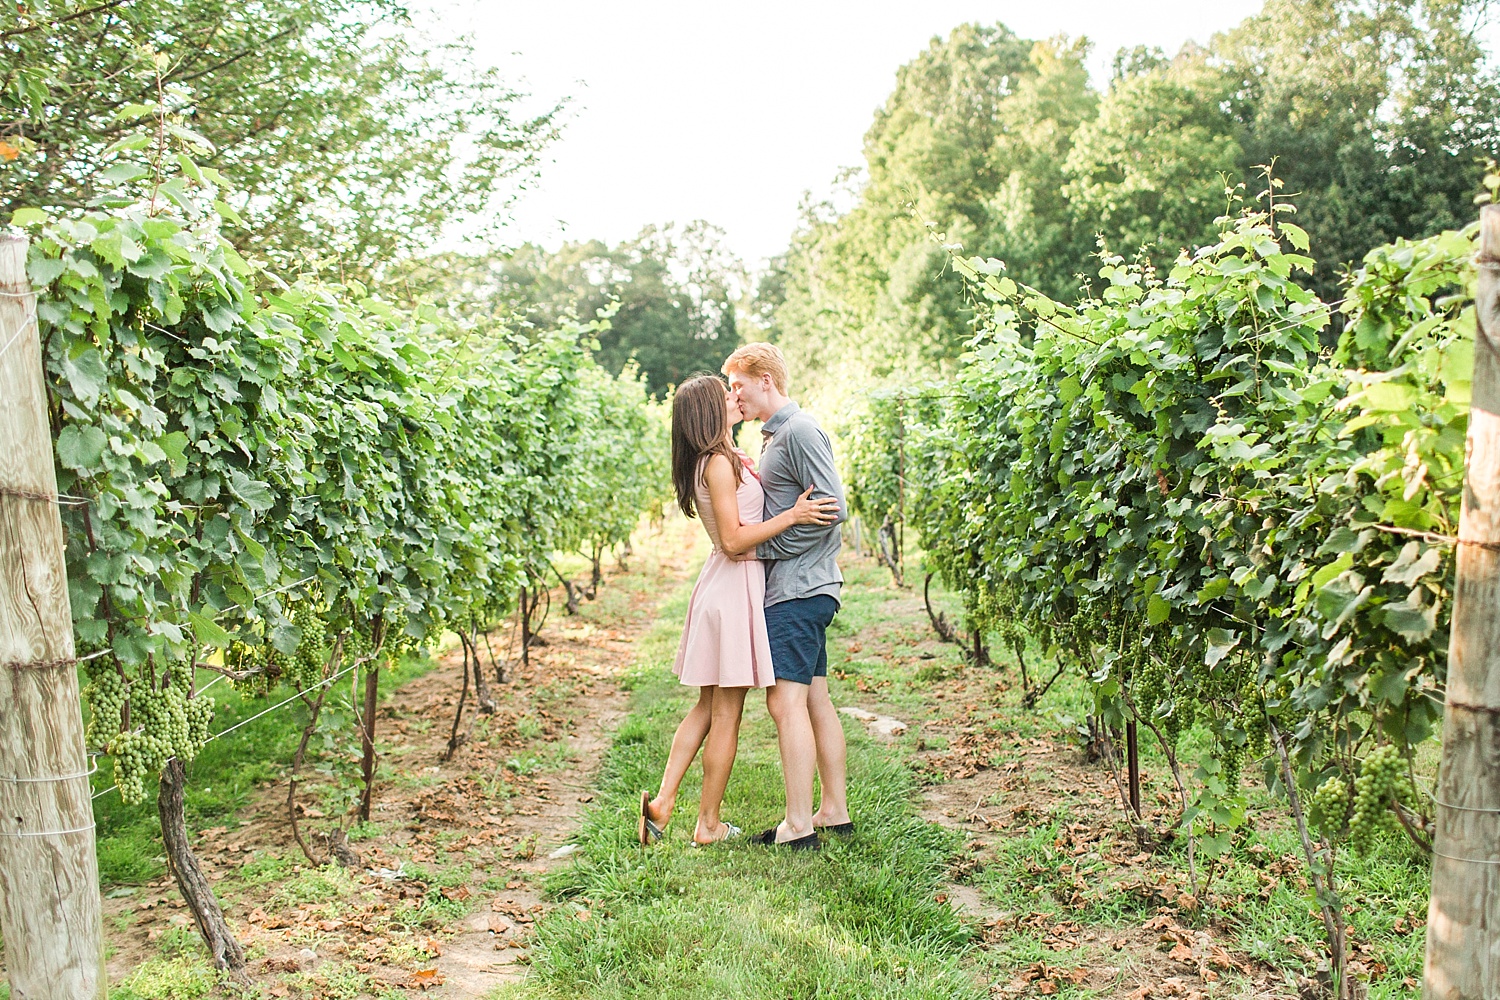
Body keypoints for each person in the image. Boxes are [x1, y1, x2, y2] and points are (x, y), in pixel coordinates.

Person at [639, 374, 840, 846]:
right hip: (733, 589)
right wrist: (790, 516)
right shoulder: (718, 465)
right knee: (725, 713)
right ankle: (707, 826)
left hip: (727, 586)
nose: (734, 397)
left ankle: (664, 804)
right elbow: (731, 541)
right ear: (709, 412)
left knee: (708, 707)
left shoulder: (720, 459)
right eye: (723, 394)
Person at [723, 343, 850, 851]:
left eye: (739, 385)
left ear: (766, 381)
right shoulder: (776, 436)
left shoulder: (798, 430)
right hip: (806, 584)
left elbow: (830, 506)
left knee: (784, 701)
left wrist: (769, 545)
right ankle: (833, 810)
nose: (735, 396)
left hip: (798, 587)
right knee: (815, 698)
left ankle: (798, 825)